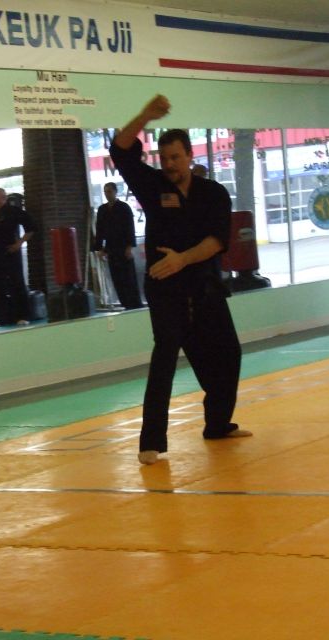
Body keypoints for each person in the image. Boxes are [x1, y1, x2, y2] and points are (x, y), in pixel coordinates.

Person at [110, 94, 252, 465]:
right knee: (165, 356)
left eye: (176, 157)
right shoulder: (153, 186)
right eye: (165, 158)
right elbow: (120, 151)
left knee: (228, 353)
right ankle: (150, 442)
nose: (170, 164)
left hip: (204, 284)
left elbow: (217, 241)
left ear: (189, 155)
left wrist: (182, 259)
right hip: (165, 288)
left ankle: (218, 424)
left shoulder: (213, 193)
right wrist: (144, 115)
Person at [0, 188, 36, 327]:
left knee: (16, 283)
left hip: (9, 252)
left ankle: (23, 316)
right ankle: (2, 318)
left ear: (3, 198)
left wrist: (19, 243)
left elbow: (31, 228)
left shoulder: (13, 212)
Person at [94, 182, 143, 310]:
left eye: (109, 191)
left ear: (115, 192)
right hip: (111, 247)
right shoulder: (102, 210)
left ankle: (134, 303)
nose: (107, 194)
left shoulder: (124, 207)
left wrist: (129, 247)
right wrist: (99, 248)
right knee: (117, 278)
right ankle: (124, 302)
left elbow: (130, 227)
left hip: (123, 246)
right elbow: (100, 230)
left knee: (128, 277)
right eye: (105, 192)